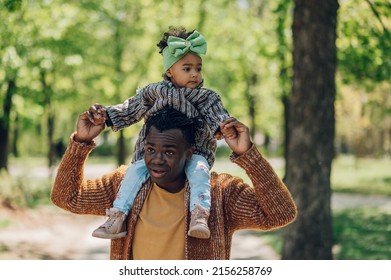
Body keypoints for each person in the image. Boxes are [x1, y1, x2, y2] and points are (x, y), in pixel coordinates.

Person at [51, 108, 297, 260]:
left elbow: (280, 214)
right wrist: (81, 142)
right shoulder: (125, 185)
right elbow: (66, 197)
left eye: (169, 152)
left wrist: (248, 155)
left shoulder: (221, 193)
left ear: (189, 153)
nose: (156, 159)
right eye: (150, 149)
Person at [88, 26, 232, 240]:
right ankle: (117, 216)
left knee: (199, 171)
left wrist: (224, 127)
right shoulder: (154, 92)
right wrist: (107, 115)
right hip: (155, 152)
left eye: (198, 68)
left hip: (195, 152)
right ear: (169, 71)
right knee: (134, 173)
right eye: (187, 68)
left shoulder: (207, 98)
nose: (195, 74)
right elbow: (131, 109)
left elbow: (218, 116)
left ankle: (200, 215)